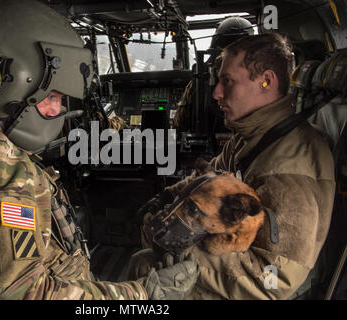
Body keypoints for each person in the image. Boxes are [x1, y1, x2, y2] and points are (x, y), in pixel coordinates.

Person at [0, 0, 197, 300]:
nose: (57, 110)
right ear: (10, 82)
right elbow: (23, 295)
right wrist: (144, 296)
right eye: (52, 95)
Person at [137, 33, 336, 299]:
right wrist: (166, 196)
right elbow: (209, 181)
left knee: (146, 267)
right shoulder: (253, 136)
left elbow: (275, 280)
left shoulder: (289, 168)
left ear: (266, 80)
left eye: (227, 81)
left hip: (265, 288)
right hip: (238, 261)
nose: (216, 92)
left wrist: (180, 251)